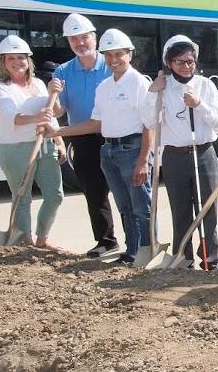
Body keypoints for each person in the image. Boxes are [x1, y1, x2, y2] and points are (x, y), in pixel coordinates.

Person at [49, 29, 153, 264]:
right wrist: (59, 131)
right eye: (109, 55)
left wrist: (143, 159)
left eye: (119, 54)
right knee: (124, 205)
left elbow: (150, 124)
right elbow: (95, 123)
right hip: (109, 151)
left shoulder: (138, 83)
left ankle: (147, 249)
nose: (114, 60)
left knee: (141, 205)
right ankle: (132, 251)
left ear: (130, 54)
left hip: (132, 149)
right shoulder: (105, 86)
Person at [148, 35, 218, 271]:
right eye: (180, 62)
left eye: (190, 61)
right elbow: (149, 121)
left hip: (203, 153)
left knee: (207, 209)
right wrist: (152, 92)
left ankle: (210, 260)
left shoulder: (206, 85)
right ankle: (184, 257)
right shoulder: (163, 87)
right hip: (174, 155)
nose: (186, 66)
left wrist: (198, 105)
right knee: (180, 210)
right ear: (169, 63)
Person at [50, 13, 118, 258]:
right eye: (73, 39)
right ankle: (106, 241)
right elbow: (59, 110)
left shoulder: (111, 66)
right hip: (83, 138)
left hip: (114, 137)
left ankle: (139, 243)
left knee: (125, 193)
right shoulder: (64, 70)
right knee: (94, 192)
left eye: (84, 37)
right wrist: (54, 95)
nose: (80, 43)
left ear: (94, 38)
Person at [0, 36, 66, 247]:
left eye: (21, 58)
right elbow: (10, 116)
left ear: (28, 60)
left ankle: (42, 240)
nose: (17, 62)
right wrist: (35, 118)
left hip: (44, 144)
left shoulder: (40, 83)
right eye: (10, 58)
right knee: (22, 196)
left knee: (55, 195)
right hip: (15, 148)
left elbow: (55, 112)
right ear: (3, 62)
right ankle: (25, 241)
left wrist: (58, 139)